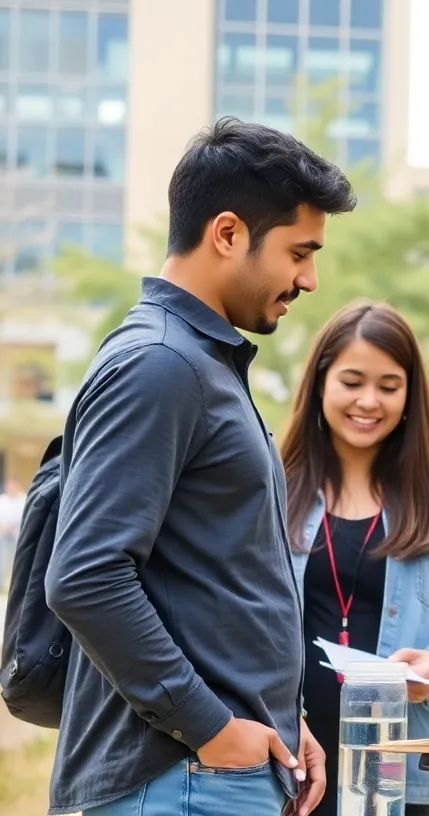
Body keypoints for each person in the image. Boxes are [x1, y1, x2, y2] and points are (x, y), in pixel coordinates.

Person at [44, 117, 357, 816]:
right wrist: (210, 727)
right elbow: (87, 575)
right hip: (179, 779)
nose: (309, 279)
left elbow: (211, 581)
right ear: (226, 234)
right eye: (299, 252)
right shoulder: (161, 365)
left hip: (208, 775)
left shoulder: (197, 361)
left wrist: (280, 716)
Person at [284, 300, 429, 816]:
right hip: (286, 755)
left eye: (388, 385)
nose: (368, 401)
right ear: (320, 383)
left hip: (394, 766)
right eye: (352, 381)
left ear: (409, 394)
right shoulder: (274, 480)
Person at [0, 478, 25, 591]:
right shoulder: (1, 501)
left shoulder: (23, 499)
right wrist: (1, 527)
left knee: (18, 560)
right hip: (0, 534)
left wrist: (12, 526)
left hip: (17, 534)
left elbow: (24, 517)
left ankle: (18, 584)